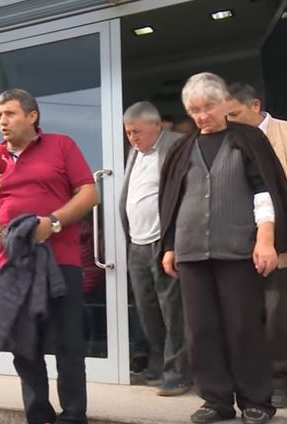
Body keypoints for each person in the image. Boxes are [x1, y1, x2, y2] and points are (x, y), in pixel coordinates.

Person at [160, 72, 287, 424]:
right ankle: (215, 400)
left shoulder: (248, 139)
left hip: (238, 250)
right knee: (201, 330)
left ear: (223, 103)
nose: (203, 116)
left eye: (209, 107)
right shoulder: (181, 148)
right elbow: (172, 200)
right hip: (190, 252)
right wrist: (169, 247)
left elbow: (265, 192)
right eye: (195, 110)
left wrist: (266, 239)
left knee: (244, 327)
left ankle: (256, 401)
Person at [0, 88, 99, 424]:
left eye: (10, 114)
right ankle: (39, 416)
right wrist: (7, 235)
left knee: (68, 343)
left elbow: (89, 193)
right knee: (24, 346)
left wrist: (53, 223)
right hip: (16, 266)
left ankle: (73, 416)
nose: (2, 121)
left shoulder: (62, 145)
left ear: (32, 116)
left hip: (62, 261)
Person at [119, 101, 189, 396]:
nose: (132, 138)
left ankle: (178, 372)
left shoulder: (176, 146)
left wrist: (174, 242)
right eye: (128, 132)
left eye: (137, 131)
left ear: (156, 125)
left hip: (164, 241)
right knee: (146, 309)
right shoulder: (134, 153)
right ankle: (159, 363)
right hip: (137, 243)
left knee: (173, 310)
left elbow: (184, 194)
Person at [226, 81, 287, 409]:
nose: (230, 121)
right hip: (238, 244)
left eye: (235, 114)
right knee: (247, 317)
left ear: (255, 105)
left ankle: (278, 379)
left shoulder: (284, 134)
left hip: (280, 244)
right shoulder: (228, 141)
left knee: (277, 315)